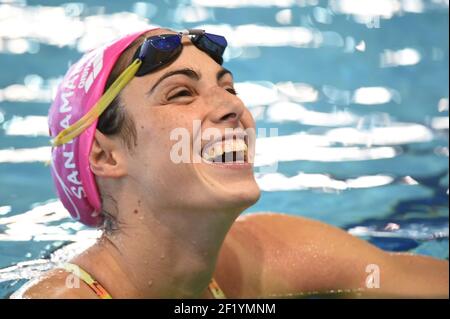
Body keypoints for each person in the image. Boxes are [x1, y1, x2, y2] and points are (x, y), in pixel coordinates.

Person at [14, 28, 448, 299]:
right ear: (106, 156)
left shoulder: (268, 254)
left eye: (229, 88)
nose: (231, 108)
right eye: (180, 93)